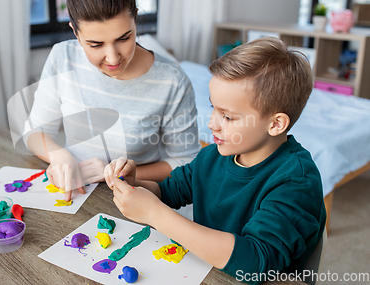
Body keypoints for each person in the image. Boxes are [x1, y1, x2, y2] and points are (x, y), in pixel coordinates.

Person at [104, 37, 326, 284]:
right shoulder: (214, 155)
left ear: (275, 124)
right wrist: (136, 184)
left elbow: (255, 264)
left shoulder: (296, 181)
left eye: (228, 117)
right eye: (213, 108)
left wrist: (155, 215)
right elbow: (168, 192)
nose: (211, 123)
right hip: (206, 271)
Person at [23, 0, 200, 202]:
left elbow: (186, 162)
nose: (113, 58)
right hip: (76, 196)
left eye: (124, 38)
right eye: (95, 45)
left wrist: (124, 174)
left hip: (138, 200)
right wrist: (59, 155)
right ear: (75, 32)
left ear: (135, 19)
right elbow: (35, 131)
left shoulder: (172, 82)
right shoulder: (62, 57)